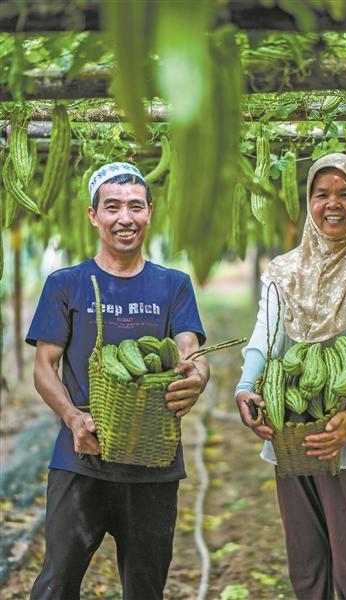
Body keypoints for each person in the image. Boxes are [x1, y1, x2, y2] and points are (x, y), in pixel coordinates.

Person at [26, 162, 210, 600]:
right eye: (112, 207)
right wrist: (73, 418)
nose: (124, 218)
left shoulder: (174, 285)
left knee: (145, 588)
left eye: (135, 207)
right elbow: (44, 366)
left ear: (149, 212)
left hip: (155, 464)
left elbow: (190, 352)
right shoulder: (65, 284)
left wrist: (198, 377)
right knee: (56, 583)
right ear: (94, 216)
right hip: (81, 459)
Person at [235, 153, 346, 599]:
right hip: (291, 431)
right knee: (306, 567)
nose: (333, 204)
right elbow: (264, 336)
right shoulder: (285, 271)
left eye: (345, 193)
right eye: (322, 193)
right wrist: (246, 388)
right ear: (308, 201)